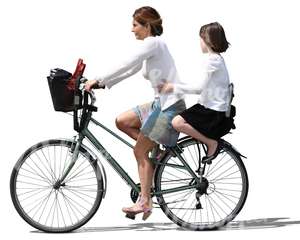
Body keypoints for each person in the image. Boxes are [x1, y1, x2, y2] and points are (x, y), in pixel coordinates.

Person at [85, 6, 186, 220]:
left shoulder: (153, 43)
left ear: (147, 25)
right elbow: (131, 69)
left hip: (168, 108)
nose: (132, 30)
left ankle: (145, 201)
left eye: (135, 25)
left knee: (139, 152)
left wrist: (98, 79)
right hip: (160, 103)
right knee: (122, 121)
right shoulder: (153, 47)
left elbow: (126, 62)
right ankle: (154, 147)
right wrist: (103, 84)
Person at [158, 22, 235, 163]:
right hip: (211, 107)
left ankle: (211, 143)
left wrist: (173, 87)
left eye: (201, 38)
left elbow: (199, 88)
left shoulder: (212, 61)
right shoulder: (217, 59)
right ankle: (167, 150)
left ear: (209, 40)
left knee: (177, 122)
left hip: (212, 112)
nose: (199, 42)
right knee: (175, 119)